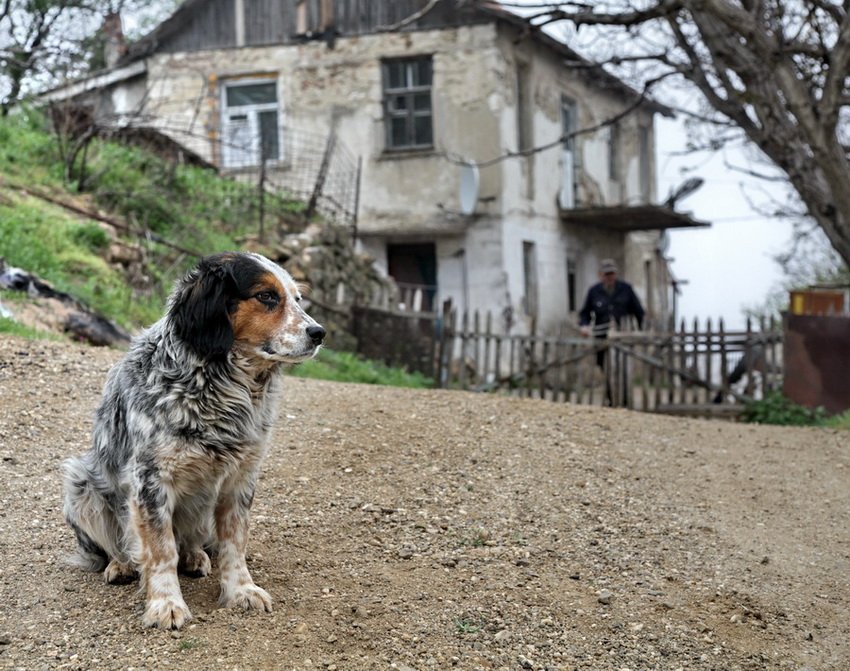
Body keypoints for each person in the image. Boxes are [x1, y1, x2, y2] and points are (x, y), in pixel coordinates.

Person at [579, 258, 645, 369]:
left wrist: (640, 330)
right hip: (601, 336)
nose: (609, 277)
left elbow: (639, 311)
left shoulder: (626, 289)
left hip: (623, 335)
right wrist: (584, 326)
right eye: (607, 274)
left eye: (612, 273)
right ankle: (607, 383)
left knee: (623, 365)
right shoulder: (594, 291)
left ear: (616, 274)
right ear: (601, 275)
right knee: (603, 364)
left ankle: (622, 385)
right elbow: (584, 313)